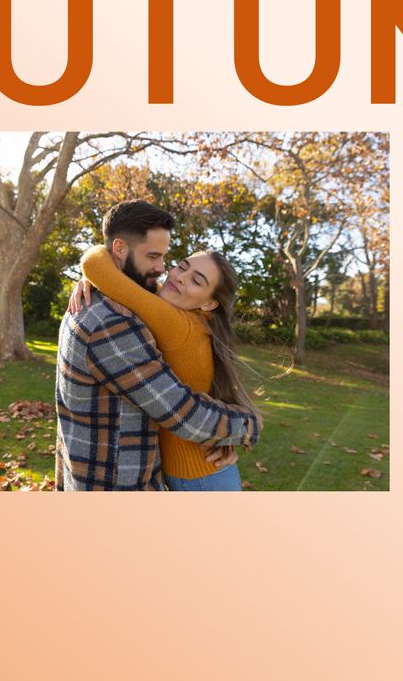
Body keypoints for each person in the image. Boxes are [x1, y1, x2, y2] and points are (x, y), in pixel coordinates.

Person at [55, 201, 260, 491]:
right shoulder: (109, 322)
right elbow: (184, 413)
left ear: (209, 302)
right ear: (120, 249)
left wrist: (241, 430)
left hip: (196, 472)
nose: (165, 270)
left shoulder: (171, 318)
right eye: (155, 256)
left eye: (165, 257)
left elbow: (100, 266)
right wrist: (246, 427)